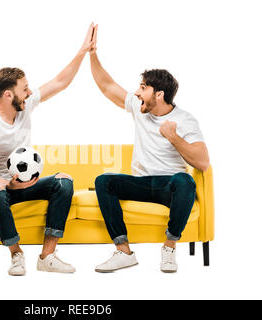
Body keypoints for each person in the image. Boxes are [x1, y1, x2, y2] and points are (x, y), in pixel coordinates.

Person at [0, 24, 96, 276]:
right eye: (24, 88)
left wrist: (83, 51)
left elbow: (60, 82)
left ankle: (48, 255)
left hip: (26, 184)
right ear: (8, 94)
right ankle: (16, 254)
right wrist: (6, 183)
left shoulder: (24, 105)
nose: (29, 92)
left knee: (64, 181)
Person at [88, 25, 210, 273]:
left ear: (160, 94)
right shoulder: (139, 108)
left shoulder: (185, 121)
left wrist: (174, 138)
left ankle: (169, 247)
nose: (137, 92)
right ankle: (123, 252)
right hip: (141, 184)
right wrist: (92, 53)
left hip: (169, 187)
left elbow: (203, 162)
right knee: (104, 181)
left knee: (185, 181)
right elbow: (106, 85)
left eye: (143, 87)